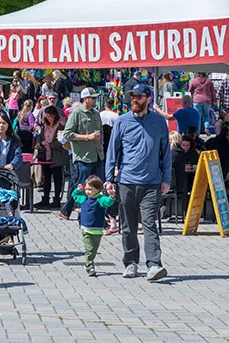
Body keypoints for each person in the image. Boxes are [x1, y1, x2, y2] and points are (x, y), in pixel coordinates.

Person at [105, 83, 170, 281]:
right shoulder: (122, 121)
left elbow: (166, 152)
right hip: (126, 181)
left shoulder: (159, 122)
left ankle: (154, 264)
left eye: (139, 97)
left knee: (150, 223)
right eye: (133, 96)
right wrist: (109, 179)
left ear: (148, 99)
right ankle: (131, 262)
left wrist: (166, 178)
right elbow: (112, 151)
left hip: (152, 182)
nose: (135, 100)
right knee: (128, 225)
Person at [57, 88, 105, 220]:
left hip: (97, 156)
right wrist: (87, 137)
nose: (95, 100)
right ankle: (83, 217)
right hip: (83, 157)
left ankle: (97, 215)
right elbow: (67, 133)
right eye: (93, 98)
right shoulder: (76, 113)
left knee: (98, 186)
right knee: (82, 187)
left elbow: (100, 134)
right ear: (85, 99)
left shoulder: (96, 114)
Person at [70, 175, 115, 277]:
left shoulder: (100, 199)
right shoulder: (84, 198)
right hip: (85, 228)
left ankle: (89, 261)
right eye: (86, 189)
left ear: (98, 189)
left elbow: (108, 202)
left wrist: (111, 196)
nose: (87, 192)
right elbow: (75, 195)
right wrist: (78, 190)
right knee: (89, 249)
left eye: (90, 189)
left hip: (97, 229)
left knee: (94, 249)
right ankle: (89, 265)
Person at [34, 105, 66, 209]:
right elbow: (40, 137)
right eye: (47, 116)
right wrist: (39, 143)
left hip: (57, 156)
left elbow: (62, 141)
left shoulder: (60, 126)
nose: (49, 119)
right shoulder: (44, 126)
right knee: (46, 178)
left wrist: (50, 145)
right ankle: (45, 199)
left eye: (51, 116)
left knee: (57, 179)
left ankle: (56, 199)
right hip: (45, 157)